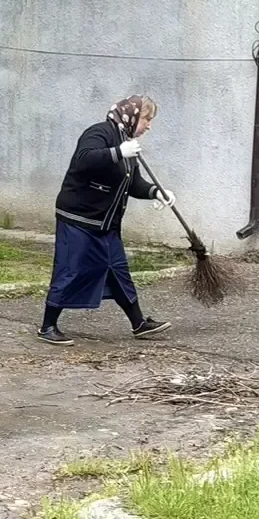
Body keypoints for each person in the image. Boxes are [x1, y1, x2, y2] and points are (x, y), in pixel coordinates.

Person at [39, 94, 172, 343]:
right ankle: (47, 327)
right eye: (146, 119)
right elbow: (84, 160)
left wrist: (157, 192)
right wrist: (117, 152)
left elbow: (134, 183)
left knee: (118, 270)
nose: (149, 126)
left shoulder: (128, 143)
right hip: (79, 218)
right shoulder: (99, 133)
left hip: (106, 223)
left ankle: (139, 323)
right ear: (131, 116)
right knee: (70, 270)